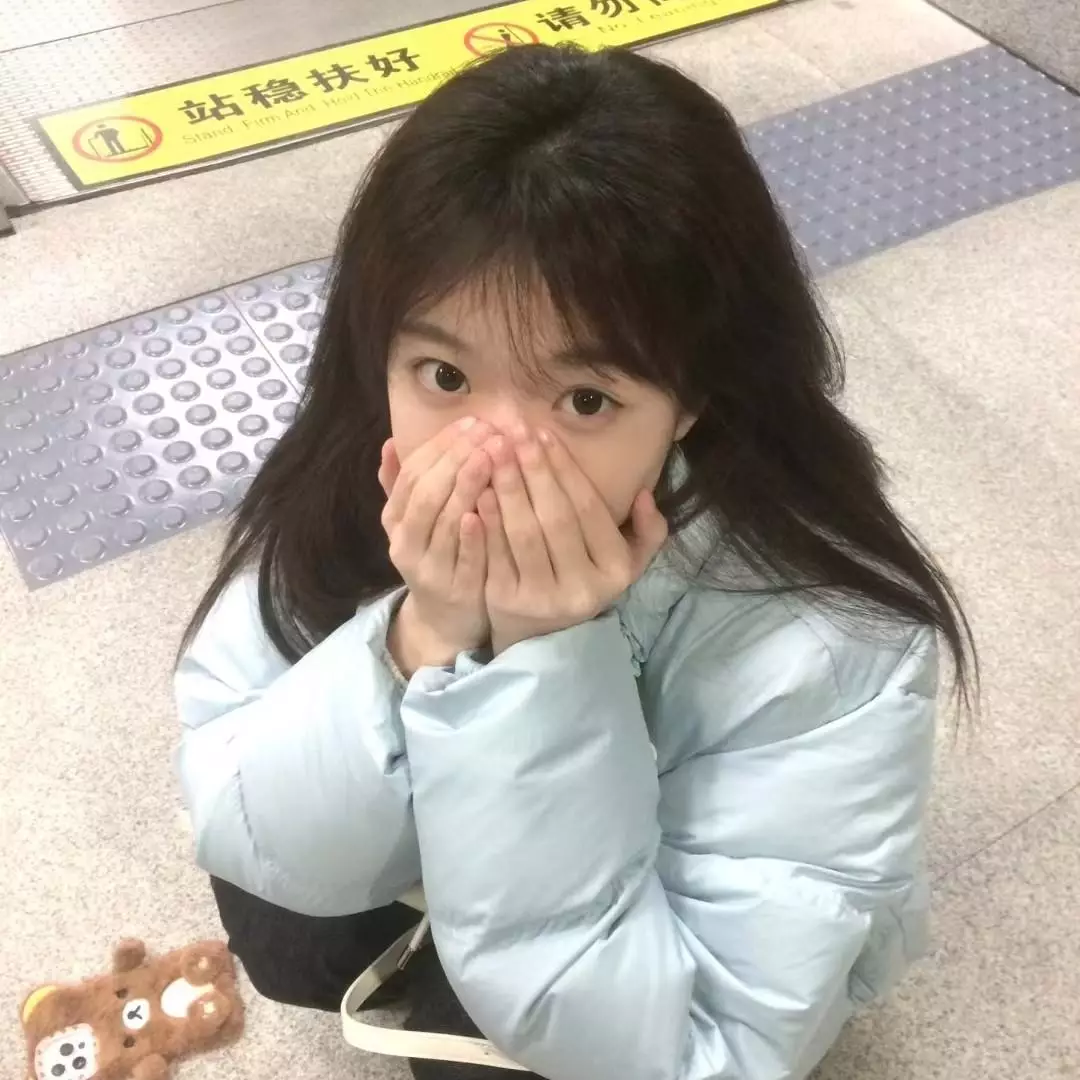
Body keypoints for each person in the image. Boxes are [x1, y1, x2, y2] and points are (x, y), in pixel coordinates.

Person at [174, 42, 977, 1080]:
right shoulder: (352, 473)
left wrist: (544, 657)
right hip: (499, 882)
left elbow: (702, 1046)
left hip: (625, 945)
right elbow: (248, 816)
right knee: (287, 929)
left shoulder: (824, 635)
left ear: (691, 400)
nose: (498, 460)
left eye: (585, 399)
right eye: (445, 374)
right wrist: (421, 634)